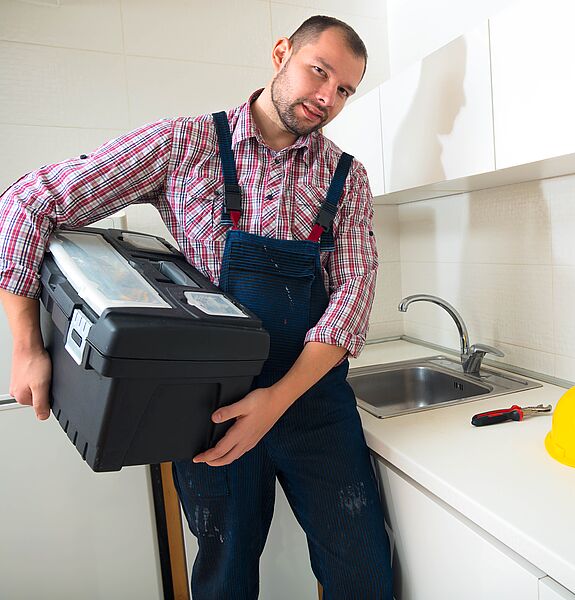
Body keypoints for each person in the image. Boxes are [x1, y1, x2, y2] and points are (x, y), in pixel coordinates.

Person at [0, 15, 393, 599]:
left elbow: (352, 298)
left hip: (311, 402)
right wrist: (28, 346)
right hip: (207, 406)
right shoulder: (186, 143)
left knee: (363, 572)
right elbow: (29, 203)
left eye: (343, 90)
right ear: (281, 52)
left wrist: (275, 400)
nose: (326, 98)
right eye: (319, 72)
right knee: (224, 578)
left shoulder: (347, 177)